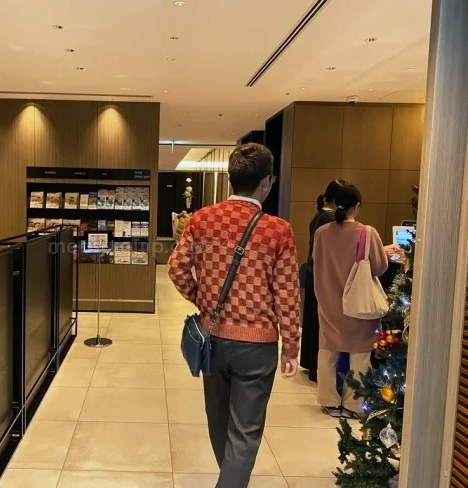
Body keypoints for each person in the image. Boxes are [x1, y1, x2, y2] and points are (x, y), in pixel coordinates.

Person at [167, 143, 301, 488]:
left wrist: (203, 300)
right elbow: (288, 294)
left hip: (212, 340)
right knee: (245, 431)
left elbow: (177, 268)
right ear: (267, 182)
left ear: (230, 178)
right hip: (257, 347)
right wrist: (290, 347)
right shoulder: (278, 231)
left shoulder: (202, 220)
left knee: (217, 420)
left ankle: (230, 478)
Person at [313, 185, 389, 418]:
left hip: (328, 302)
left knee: (328, 352)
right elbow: (380, 267)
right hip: (358, 305)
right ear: (357, 206)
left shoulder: (322, 233)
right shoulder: (367, 233)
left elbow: (317, 261)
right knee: (360, 356)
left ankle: (328, 400)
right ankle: (354, 405)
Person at [300, 179, 349, 382]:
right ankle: (317, 369)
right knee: (323, 325)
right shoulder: (330, 218)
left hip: (314, 272)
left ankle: (311, 364)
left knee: (314, 321)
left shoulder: (319, 215)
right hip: (324, 275)